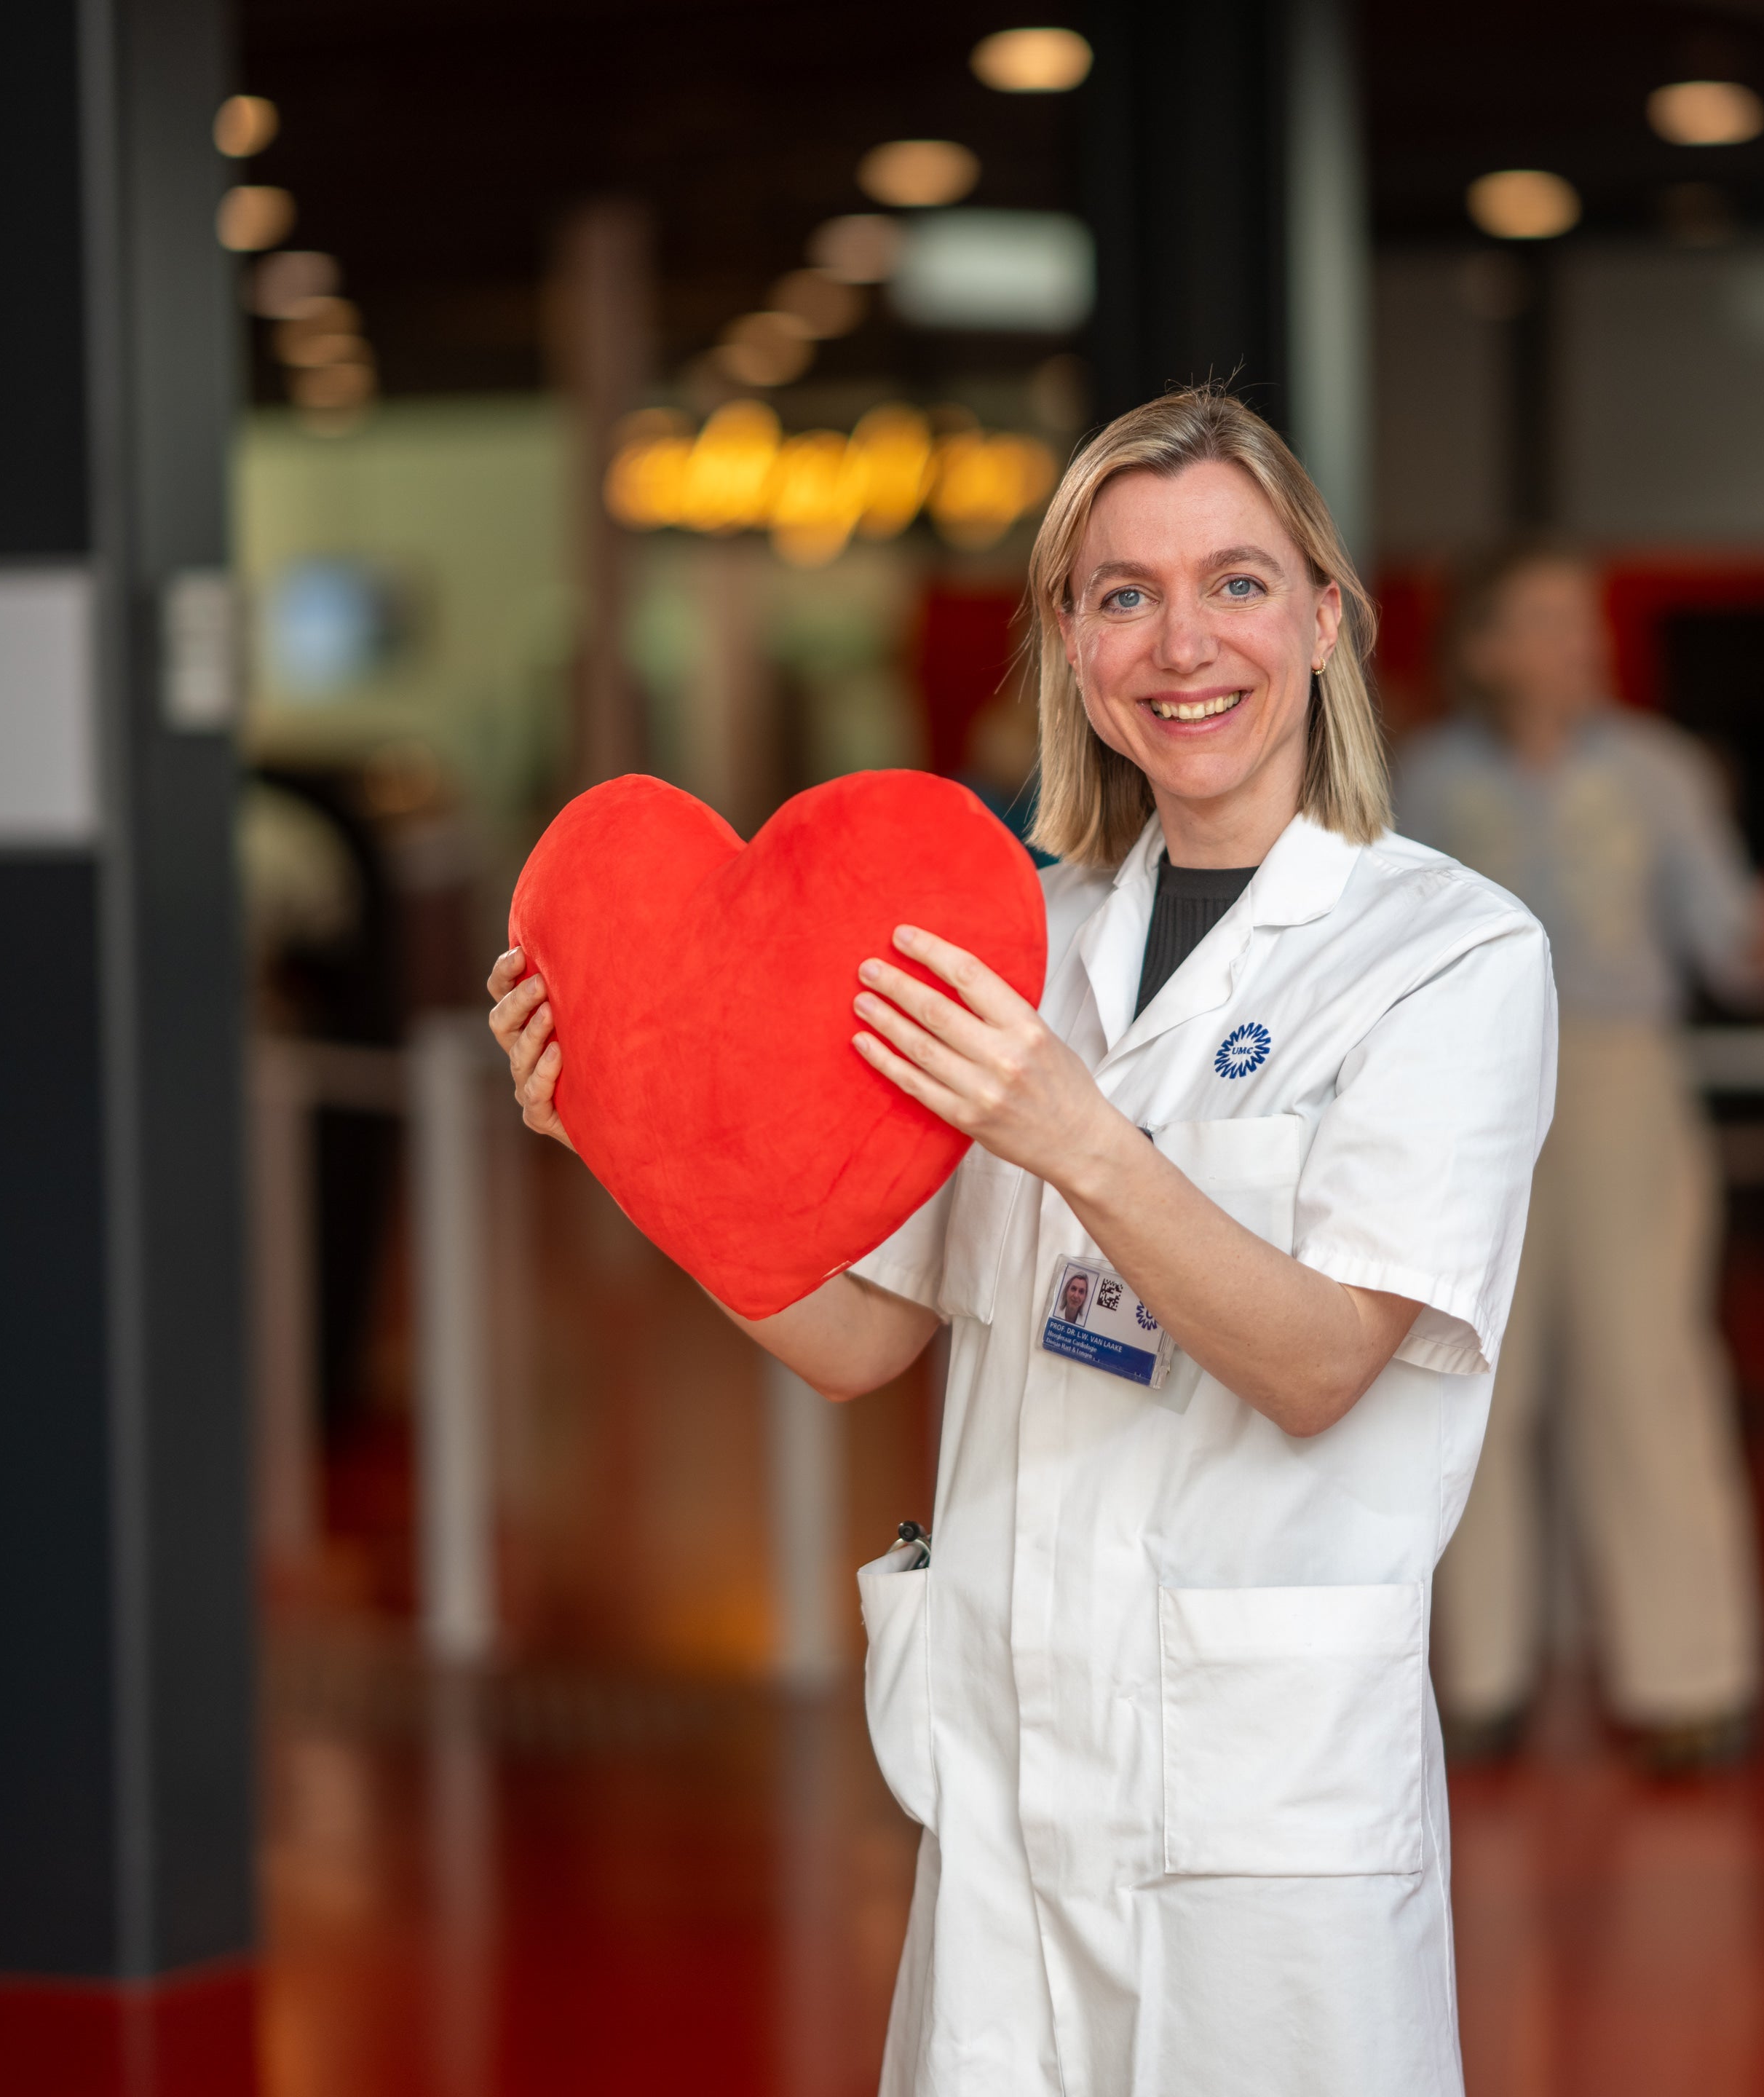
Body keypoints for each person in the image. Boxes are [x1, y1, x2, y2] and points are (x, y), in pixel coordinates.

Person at [487, 388, 1555, 2097]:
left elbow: (1316, 1367)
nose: (1181, 642)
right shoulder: (1004, 934)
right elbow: (861, 1340)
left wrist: (1074, 1132)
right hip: (1004, 1769)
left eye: (1238, 584)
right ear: (1068, 640)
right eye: (1122, 594)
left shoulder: (1446, 960)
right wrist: (623, 1133)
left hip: (1256, 1800)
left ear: (1327, 616)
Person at [1397, 545, 1764, 1771]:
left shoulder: (1659, 773)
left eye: (1583, 621)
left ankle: (1691, 1676)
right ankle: (1480, 1677)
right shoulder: (1424, 781)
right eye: (1541, 620)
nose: (1576, 643)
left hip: (1627, 1076)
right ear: (1481, 646)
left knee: (1650, 1370)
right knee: (1472, 1378)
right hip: (1466, 1091)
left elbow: (1731, 945)